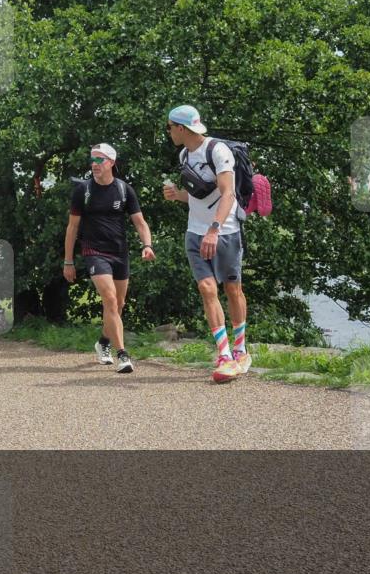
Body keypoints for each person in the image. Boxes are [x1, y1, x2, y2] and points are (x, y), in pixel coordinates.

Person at [162, 104, 251, 383]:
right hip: (195, 232)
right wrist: (178, 196)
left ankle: (241, 349)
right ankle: (224, 355)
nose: (168, 132)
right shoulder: (183, 154)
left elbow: (227, 194)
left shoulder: (218, 151)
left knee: (232, 289)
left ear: (180, 128)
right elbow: (200, 197)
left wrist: (214, 229)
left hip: (225, 232)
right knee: (206, 288)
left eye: (169, 127)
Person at [63, 143, 155, 373]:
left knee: (118, 304)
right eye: (92, 160)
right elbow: (72, 229)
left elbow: (140, 222)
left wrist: (147, 245)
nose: (94, 165)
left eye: (99, 160)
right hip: (94, 252)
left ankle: (103, 342)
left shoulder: (124, 190)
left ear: (111, 163)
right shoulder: (82, 191)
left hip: (119, 253)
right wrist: (68, 261)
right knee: (110, 300)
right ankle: (122, 354)